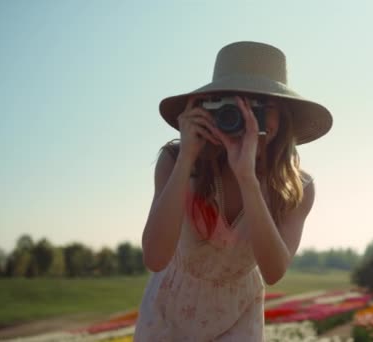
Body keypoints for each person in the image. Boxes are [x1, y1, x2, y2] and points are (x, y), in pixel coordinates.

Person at [133, 41, 333, 341]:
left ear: (283, 118)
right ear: (208, 107)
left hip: (238, 313)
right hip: (169, 310)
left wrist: (247, 178)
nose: (244, 116)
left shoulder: (296, 188)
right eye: (233, 105)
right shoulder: (176, 161)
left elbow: (274, 271)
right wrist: (187, 157)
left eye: (258, 106)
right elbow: (155, 257)